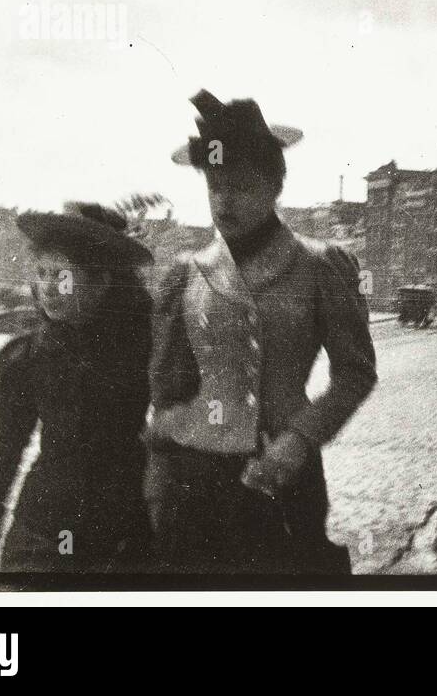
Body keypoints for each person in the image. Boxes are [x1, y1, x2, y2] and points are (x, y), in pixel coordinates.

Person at [144, 90, 377, 574]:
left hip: (281, 468)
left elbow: (355, 373)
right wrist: (160, 466)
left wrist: (300, 439)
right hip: (194, 475)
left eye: (242, 186)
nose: (224, 202)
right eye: (215, 187)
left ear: (274, 186)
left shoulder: (319, 266)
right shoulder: (186, 273)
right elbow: (165, 390)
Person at [0, 202, 154, 573]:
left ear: (102, 281)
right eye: (42, 273)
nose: (48, 288)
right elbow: (5, 452)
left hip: (125, 535)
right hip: (42, 534)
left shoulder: (145, 343)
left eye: (63, 276)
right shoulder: (28, 356)